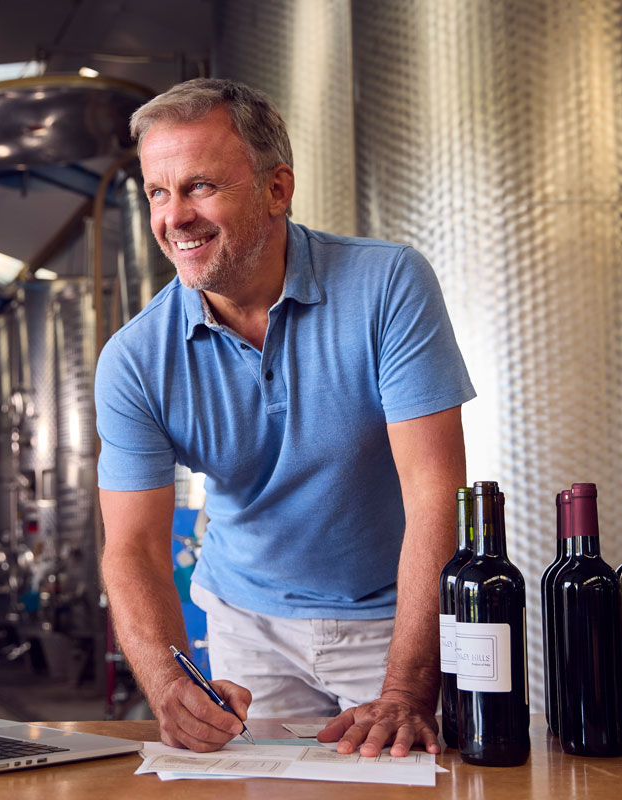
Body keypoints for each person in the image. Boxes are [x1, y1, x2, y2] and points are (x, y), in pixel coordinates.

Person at [95, 78, 474, 758]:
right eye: (158, 191)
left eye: (200, 186)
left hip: (394, 619)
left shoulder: (388, 286)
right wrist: (168, 684)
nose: (173, 216)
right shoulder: (134, 359)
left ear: (276, 189)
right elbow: (135, 547)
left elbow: (435, 493)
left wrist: (408, 688)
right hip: (249, 626)